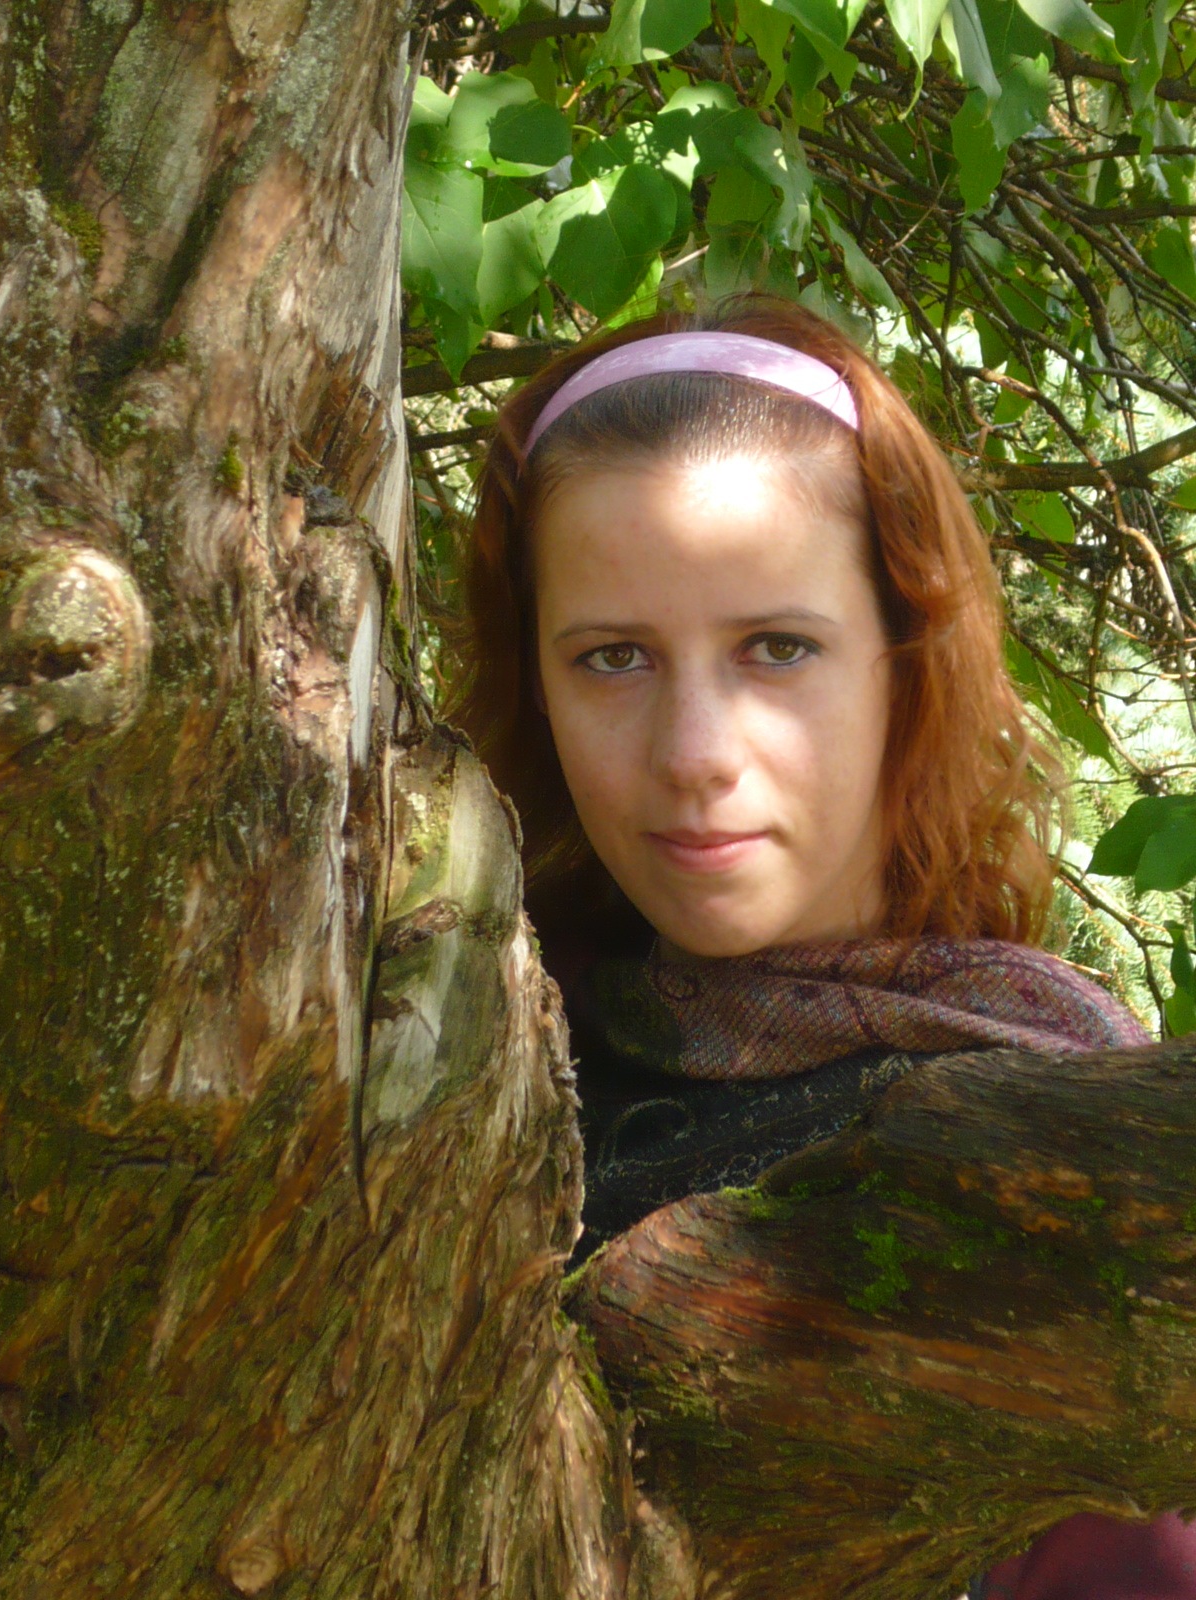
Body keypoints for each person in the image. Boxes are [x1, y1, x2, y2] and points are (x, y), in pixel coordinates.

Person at [449, 294, 1190, 1599]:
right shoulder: (450, 1064)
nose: (695, 755)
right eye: (613, 658)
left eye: (777, 648)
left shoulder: (1069, 1116)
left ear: (907, 660)